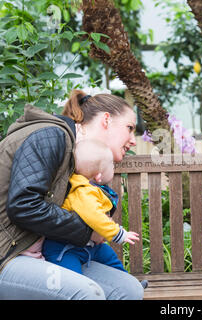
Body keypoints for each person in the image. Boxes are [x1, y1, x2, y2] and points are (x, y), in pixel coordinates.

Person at [0, 89, 144, 299]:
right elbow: (24, 205)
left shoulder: (80, 158)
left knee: (128, 290)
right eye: (129, 128)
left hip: (30, 253)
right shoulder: (52, 136)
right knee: (86, 293)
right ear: (106, 120)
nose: (133, 140)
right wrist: (89, 232)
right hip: (7, 255)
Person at [42, 139, 139, 275]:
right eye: (112, 166)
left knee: (108, 255)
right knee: (72, 277)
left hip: (87, 245)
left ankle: (126, 280)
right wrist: (117, 233)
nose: (114, 167)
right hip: (64, 247)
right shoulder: (83, 191)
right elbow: (94, 216)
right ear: (98, 176)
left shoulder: (89, 187)